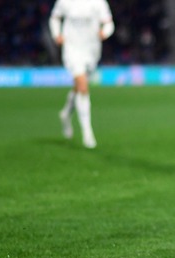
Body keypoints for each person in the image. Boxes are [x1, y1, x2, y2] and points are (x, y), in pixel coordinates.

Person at [49, 0, 114, 149]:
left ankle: (65, 113)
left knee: (79, 87)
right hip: (72, 47)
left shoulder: (99, 2)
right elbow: (55, 17)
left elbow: (109, 23)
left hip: (91, 49)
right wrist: (56, 34)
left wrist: (105, 32)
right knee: (83, 86)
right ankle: (87, 133)